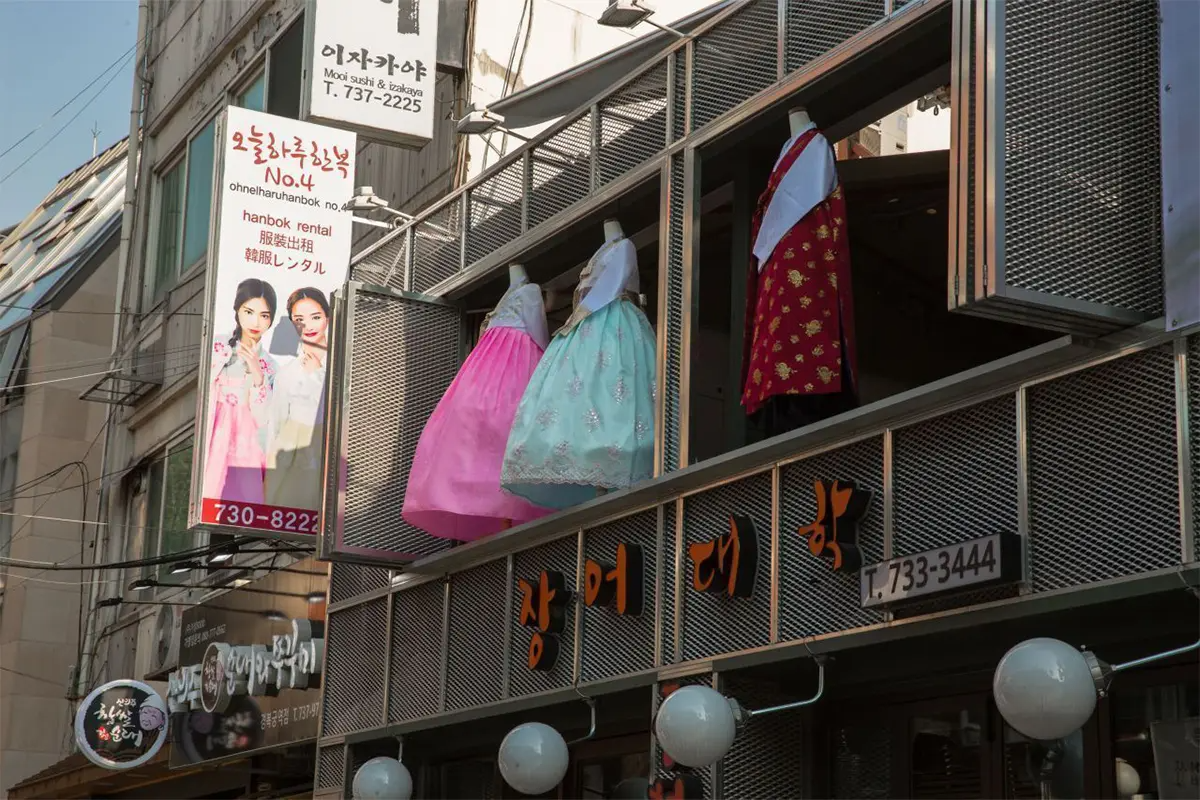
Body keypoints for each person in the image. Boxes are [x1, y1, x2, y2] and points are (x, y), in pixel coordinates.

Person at [202, 278, 278, 504]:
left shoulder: (270, 364)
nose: (256, 321)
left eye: (264, 315)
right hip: (217, 426)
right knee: (211, 488)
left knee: (246, 495)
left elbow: (264, 417)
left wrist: (258, 375)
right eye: (249, 311)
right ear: (237, 310)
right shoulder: (218, 345)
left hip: (248, 437)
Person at [265, 288, 331, 510]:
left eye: (315, 317)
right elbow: (276, 427)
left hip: (334, 453)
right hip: (296, 458)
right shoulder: (287, 374)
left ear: (328, 317)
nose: (308, 326)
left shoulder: (344, 363)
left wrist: (318, 372)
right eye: (299, 320)